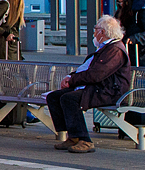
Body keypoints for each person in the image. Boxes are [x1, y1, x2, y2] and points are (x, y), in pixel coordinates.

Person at [46, 14, 131, 153]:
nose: (93, 32)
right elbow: (87, 68)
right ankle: (73, 136)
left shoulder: (114, 50)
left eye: (95, 29)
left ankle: (84, 139)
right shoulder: (105, 48)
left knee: (70, 99)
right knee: (54, 97)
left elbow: (96, 75)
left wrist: (72, 80)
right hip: (98, 88)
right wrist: (71, 78)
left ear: (102, 32)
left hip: (109, 92)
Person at [116, 0, 145, 66]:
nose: (121, 5)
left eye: (123, 2)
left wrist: (135, 38)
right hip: (126, 51)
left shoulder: (140, 13)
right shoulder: (120, 12)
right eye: (119, 2)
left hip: (139, 53)